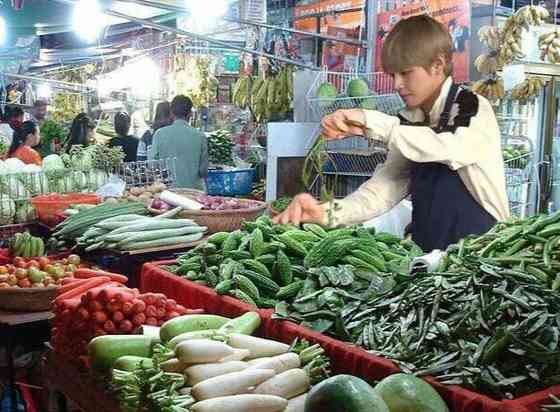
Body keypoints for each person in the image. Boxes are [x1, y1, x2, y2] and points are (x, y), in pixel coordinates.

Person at [274, 15, 509, 252]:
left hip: (480, 260)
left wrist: (370, 121)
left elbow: (447, 148)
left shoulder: (472, 107)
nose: (397, 84)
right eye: (393, 75)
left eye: (406, 73)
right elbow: (385, 187)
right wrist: (328, 214)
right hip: (428, 262)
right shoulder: (412, 120)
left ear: (437, 65)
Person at [149, 95, 208, 190]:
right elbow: (203, 171)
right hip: (194, 192)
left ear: (171, 113)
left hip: (167, 192)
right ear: (190, 114)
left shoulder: (159, 134)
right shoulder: (200, 136)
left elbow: (152, 165)